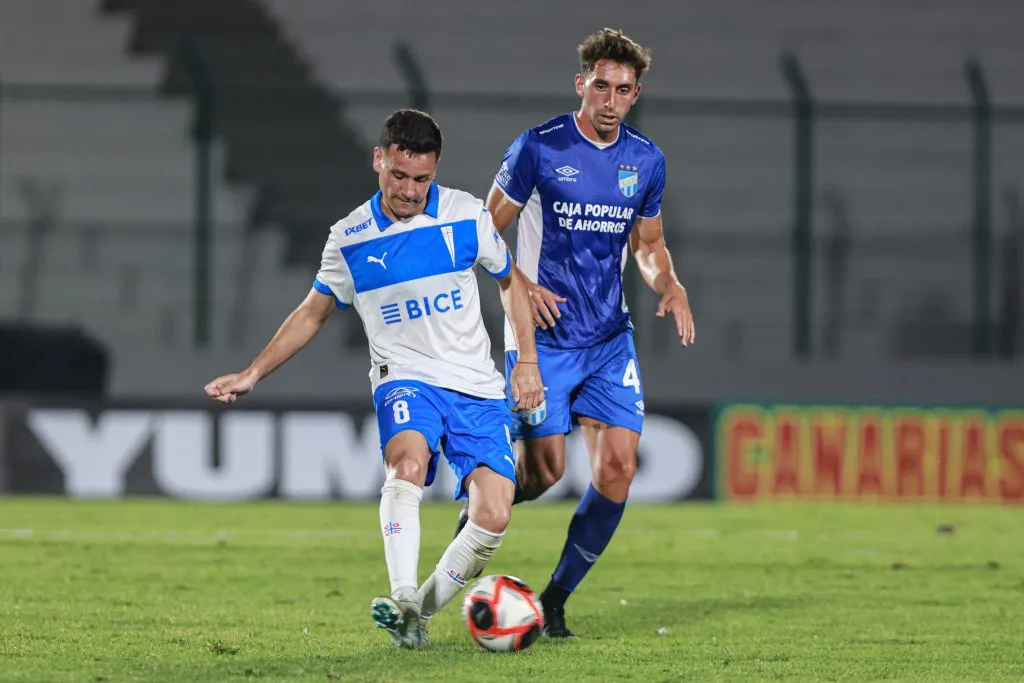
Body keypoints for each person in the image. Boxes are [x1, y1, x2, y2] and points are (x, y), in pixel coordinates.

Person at [204, 109, 543, 649]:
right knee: (407, 464)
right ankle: (404, 593)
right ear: (378, 160)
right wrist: (253, 372)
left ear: (436, 171)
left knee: (494, 515)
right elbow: (312, 312)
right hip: (403, 376)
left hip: (477, 384)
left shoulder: (466, 215)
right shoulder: (349, 238)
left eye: (422, 179)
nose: (410, 191)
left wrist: (526, 360)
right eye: (399, 176)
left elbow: (510, 283)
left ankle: (417, 616)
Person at [453, 28, 696, 637]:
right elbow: (486, 231)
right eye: (600, 86)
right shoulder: (539, 148)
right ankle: (476, 523)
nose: (609, 99)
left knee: (618, 469)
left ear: (635, 93)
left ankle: (555, 599)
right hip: (545, 338)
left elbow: (648, 243)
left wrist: (668, 281)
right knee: (545, 473)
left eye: (622, 89)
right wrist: (522, 284)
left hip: (610, 339)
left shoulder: (645, 161)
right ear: (580, 84)